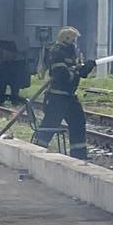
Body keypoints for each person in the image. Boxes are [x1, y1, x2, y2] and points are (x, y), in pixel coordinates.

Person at [34, 26, 96, 159]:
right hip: (57, 97)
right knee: (50, 125)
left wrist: (85, 68)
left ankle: (79, 155)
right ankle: (34, 153)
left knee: (78, 123)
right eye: (74, 39)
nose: (75, 42)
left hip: (69, 97)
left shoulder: (71, 52)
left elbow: (76, 69)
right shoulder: (57, 52)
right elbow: (62, 76)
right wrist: (79, 72)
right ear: (66, 39)